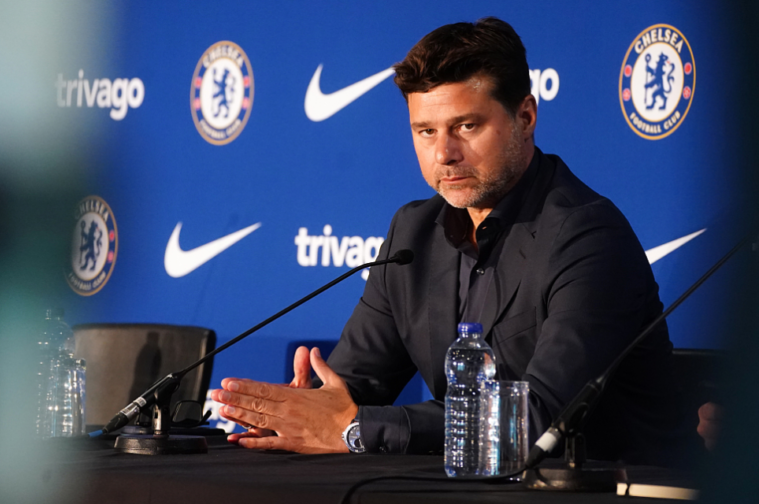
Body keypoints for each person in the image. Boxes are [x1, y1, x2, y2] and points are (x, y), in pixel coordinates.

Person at [212, 17, 687, 464]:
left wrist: (354, 427)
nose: (444, 153)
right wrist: (306, 410)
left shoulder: (588, 236)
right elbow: (356, 388)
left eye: (466, 126)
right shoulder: (413, 232)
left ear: (525, 117)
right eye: (426, 131)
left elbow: (539, 419)